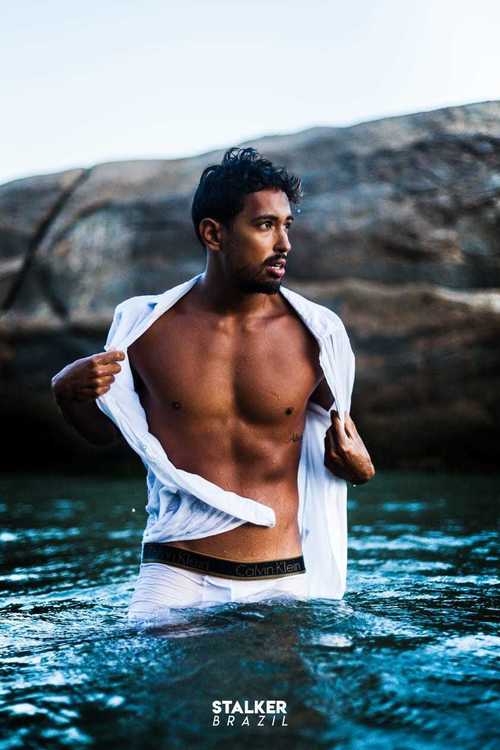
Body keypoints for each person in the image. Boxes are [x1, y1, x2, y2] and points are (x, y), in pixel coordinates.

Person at [51, 147, 375, 622]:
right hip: (174, 575)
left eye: (287, 225)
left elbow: (343, 443)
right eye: (265, 225)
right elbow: (107, 436)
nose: (284, 243)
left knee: (285, 679)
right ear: (213, 233)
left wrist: (363, 469)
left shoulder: (316, 335)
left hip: (280, 580)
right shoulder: (145, 329)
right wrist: (67, 394)